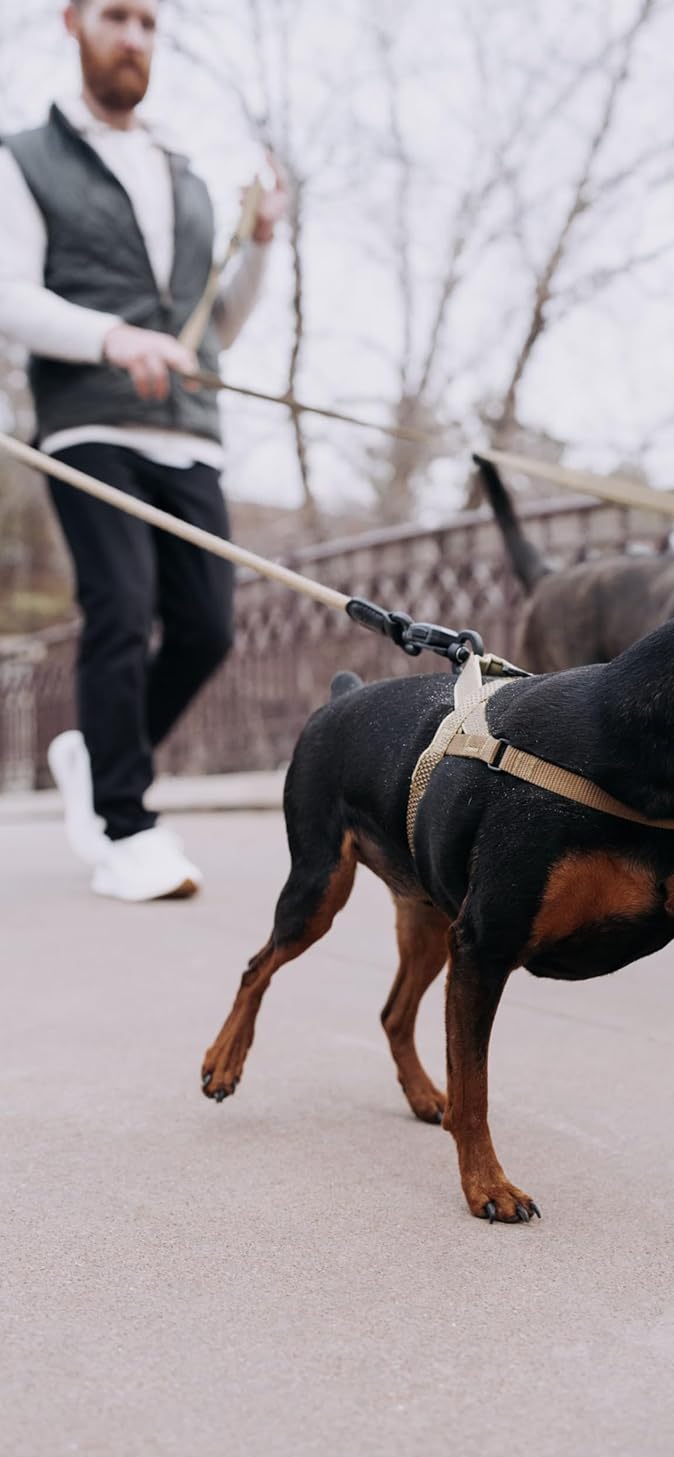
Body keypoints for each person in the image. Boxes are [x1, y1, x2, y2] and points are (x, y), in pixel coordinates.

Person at [0, 0, 286, 901]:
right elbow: (9, 295)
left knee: (206, 626)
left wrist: (263, 246)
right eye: (116, 16)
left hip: (189, 436)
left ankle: (95, 752)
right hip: (88, 424)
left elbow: (221, 327)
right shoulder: (24, 159)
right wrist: (113, 339)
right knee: (120, 609)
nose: (134, 37)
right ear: (72, 23)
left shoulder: (188, 178)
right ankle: (126, 825)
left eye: (150, 22)